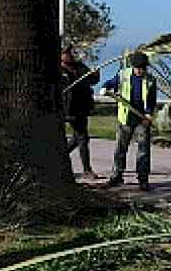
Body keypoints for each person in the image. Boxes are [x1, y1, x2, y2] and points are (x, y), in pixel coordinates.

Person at [101, 52, 157, 191]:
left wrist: (149, 115)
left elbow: (151, 100)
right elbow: (110, 83)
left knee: (143, 149)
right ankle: (116, 176)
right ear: (133, 67)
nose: (140, 71)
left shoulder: (150, 80)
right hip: (125, 118)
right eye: (138, 68)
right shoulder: (123, 75)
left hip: (141, 119)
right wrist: (104, 88)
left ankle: (143, 179)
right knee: (120, 148)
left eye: (143, 68)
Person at [60, 47, 99, 179]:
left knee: (80, 138)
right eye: (67, 53)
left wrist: (95, 74)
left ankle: (62, 155)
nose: (70, 55)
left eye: (71, 53)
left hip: (81, 108)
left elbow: (92, 81)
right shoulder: (58, 70)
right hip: (66, 109)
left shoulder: (80, 66)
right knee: (81, 137)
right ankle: (86, 169)